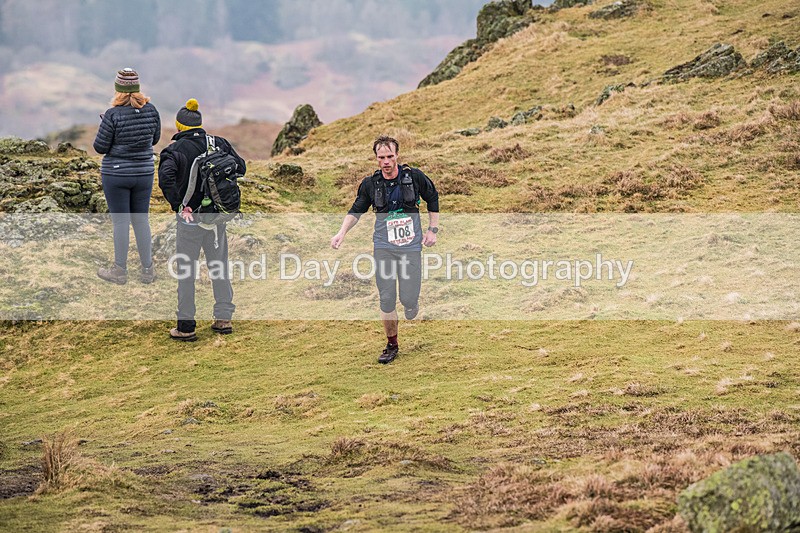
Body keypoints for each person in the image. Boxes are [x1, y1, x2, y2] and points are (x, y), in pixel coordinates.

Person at [331, 135, 439, 364]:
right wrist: (341, 232)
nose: (386, 161)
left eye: (390, 156)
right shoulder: (371, 184)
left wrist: (433, 230)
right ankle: (392, 345)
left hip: (410, 247)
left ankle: (411, 303)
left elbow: (432, 198)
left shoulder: (415, 177)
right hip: (384, 246)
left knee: (408, 298)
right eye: (382, 157)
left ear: (397, 156)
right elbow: (356, 209)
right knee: (387, 298)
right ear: (376, 159)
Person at [157, 99, 246, 342]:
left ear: (179, 127)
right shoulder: (219, 143)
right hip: (217, 218)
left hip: (190, 221)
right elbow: (240, 167)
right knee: (219, 266)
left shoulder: (173, 151)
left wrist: (179, 206)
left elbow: (165, 180)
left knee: (187, 271)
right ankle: (223, 319)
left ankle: (186, 327)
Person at [93, 68, 161, 285]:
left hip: (117, 173)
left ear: (118, 89)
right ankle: (147, 270)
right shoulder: (152, 111)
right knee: (141, 220)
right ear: (137, 88)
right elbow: (155, 139)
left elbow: (100, 147)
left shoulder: (112, 115)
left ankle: (119, 271)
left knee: (121, 221)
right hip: (144, 173)